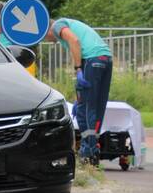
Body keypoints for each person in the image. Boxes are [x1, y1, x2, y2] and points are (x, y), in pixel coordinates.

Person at [45, 18, 112, 164]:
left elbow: (74, 41)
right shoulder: (72, 24)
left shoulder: (57, 25)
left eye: (45, 36)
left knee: (85, 109)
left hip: (91, 60)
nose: (47, 39)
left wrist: (78, 68)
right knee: (97, 107)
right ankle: (93, 147)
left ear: (47, 28)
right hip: (105, 58)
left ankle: (89, 152)